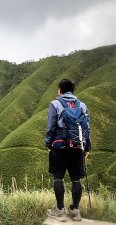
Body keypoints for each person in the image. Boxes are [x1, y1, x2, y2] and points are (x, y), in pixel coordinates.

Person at [45, 79, 91, 222]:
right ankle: (75, 211)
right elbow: (87, 128)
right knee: (76, 179)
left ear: (60, 90)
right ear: (72, 90)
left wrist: (48, 144)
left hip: (59, 147)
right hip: (77, 147)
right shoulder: (82, 106)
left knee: (58, 178)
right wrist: (87, 147)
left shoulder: (55, 104)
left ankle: (60, 211)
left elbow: (51, 127)